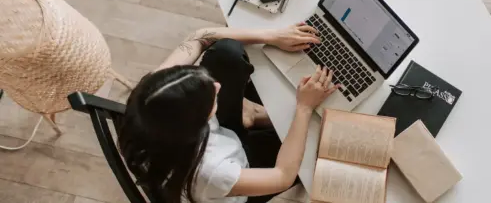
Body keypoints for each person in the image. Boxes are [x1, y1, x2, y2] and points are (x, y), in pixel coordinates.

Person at [117, 23, 340, 203]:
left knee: (226, 51)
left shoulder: (153, 93)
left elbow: (200, 36)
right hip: (239, 171)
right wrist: (303, 107)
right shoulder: (212, 171)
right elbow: (282, 176)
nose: (217, 86)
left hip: (215, 138)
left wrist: (272, 36)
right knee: (318, 147)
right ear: (198, 123)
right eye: (210, 97)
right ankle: (252, 116)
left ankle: (249, 115)